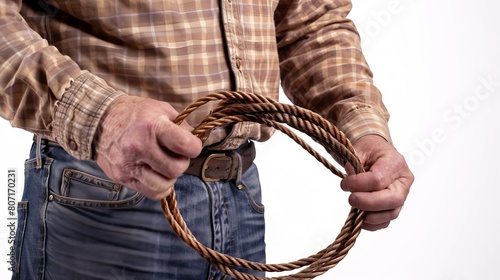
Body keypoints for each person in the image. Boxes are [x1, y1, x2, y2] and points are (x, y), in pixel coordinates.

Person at [0, 0, 414, 279]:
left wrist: (363, 129)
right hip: (103, 197)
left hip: (239, 197)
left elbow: (308, 19)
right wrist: (101, 117)